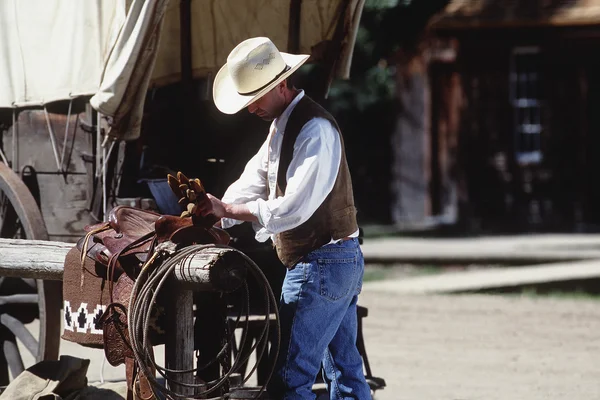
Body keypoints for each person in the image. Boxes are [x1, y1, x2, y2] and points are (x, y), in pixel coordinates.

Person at [204, 37, 372, 400]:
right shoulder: (282, 126)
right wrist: (217, 213)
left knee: (287, 381)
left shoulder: (314, 129)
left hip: (321, 264)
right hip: (333, 261)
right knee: (345, 373)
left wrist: (228, 211)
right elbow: (253, 179)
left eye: (256, 99)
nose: (251, 110)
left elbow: (292, 209)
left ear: (281, 84)